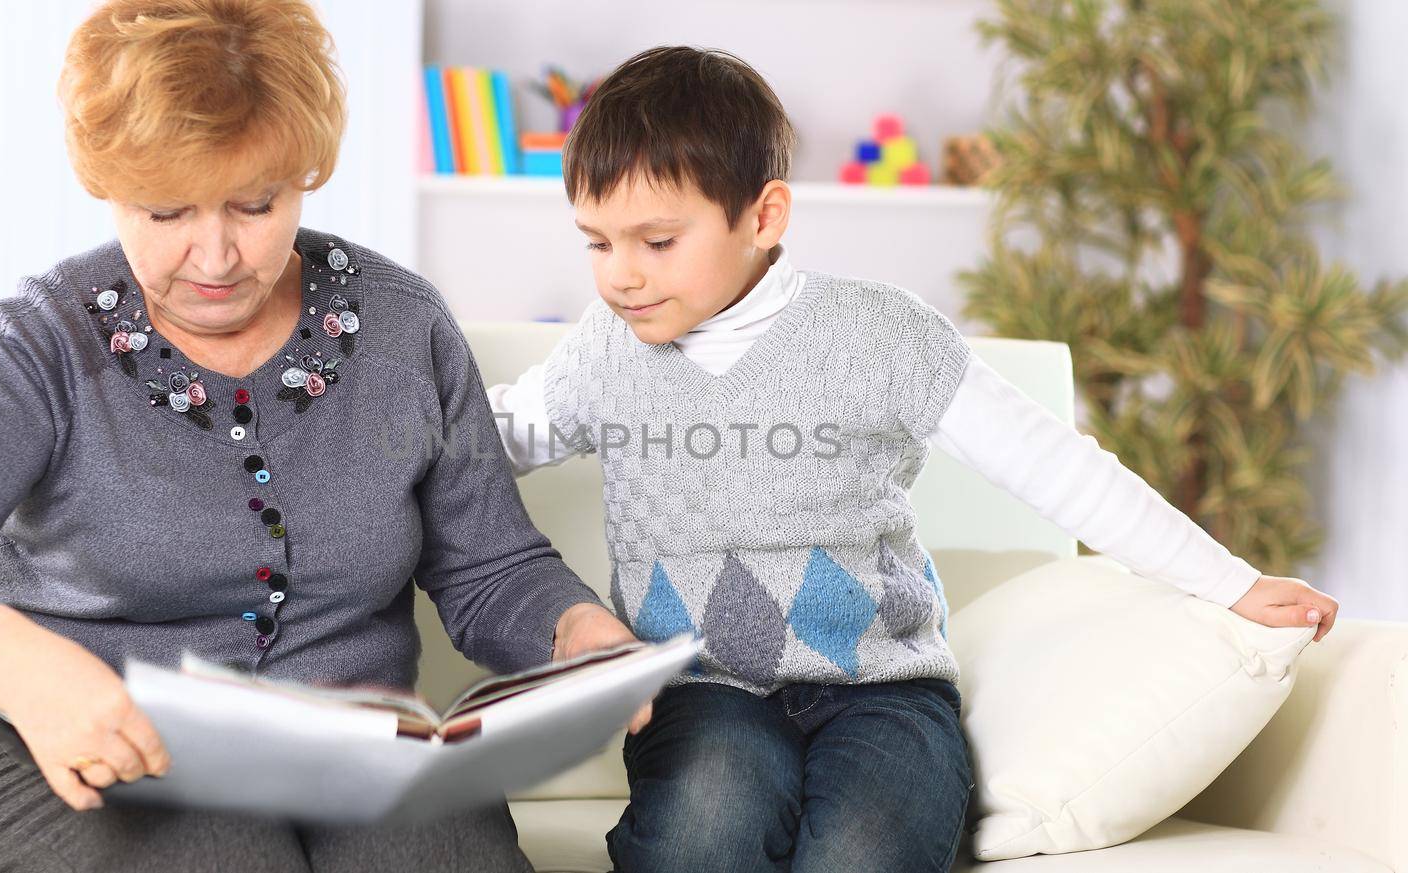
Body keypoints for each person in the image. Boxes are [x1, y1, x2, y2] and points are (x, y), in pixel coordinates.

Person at [485, 45, 1342, 873]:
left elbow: (1053, 465)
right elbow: (484, 443)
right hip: (702, 691)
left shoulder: (880, 335)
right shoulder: (603, 354)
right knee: (702, 834)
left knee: (866, 849)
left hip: (883, 690)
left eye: (657, 242)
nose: (621, 277)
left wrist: (1228, 581)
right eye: (597, 243)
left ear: (764, 215)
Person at [0, 1, 640, 870]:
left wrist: (572, 631)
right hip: (34, 760)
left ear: (304, 172)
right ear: (109, 185)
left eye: (254, 204)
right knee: (225, 850)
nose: (215, 257)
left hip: (345, 749)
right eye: (166, 213)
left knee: (444, 850)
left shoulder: (406, 330)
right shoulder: (39, 341)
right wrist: (17, 663)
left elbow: (492, 565)